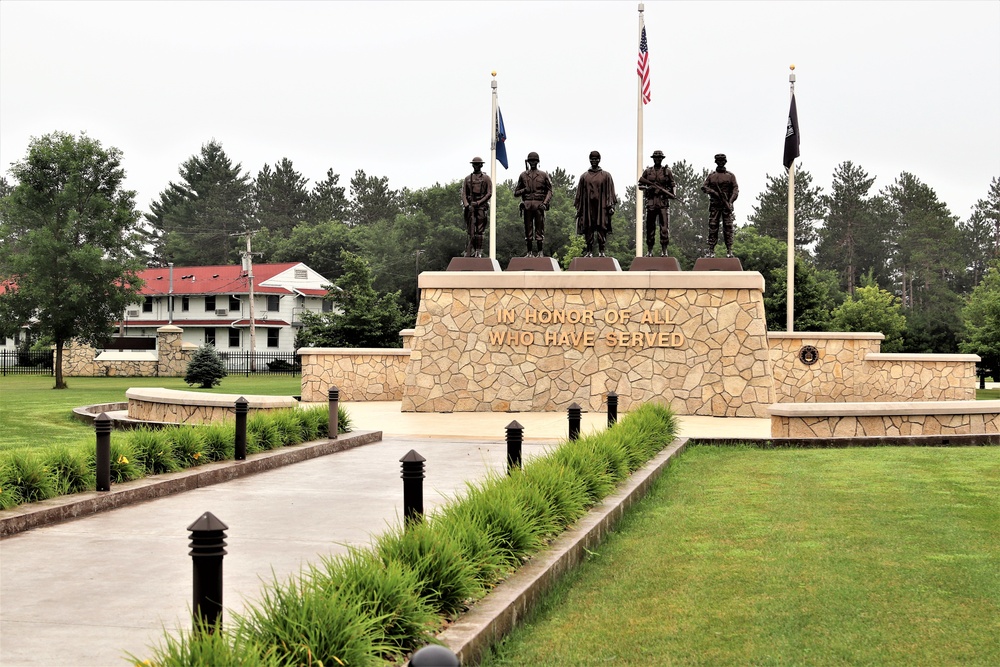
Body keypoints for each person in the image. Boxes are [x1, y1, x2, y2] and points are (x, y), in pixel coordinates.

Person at [574, 151, 617, 257]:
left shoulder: (606, 175)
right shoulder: (584, 176)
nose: (594, 161)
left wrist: (611, 206)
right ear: (589, 160)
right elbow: (579, 194)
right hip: (588, 207)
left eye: (596, 159)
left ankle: (602, 251)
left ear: (599, 160)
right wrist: (579, 208)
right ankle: (589, 251)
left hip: (601, 207)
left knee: (602, 228)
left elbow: (610, 192)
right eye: (592, 159)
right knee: (588, 228)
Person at [513, 152, 554, 257]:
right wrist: (524, 190)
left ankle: (540, 252)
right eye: (531, 161)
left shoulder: (543, 175)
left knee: (540, 229)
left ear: (538, 162)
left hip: (539, 204)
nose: (532, 163)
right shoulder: (523, 175)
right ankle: (529, 252)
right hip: (527, 205)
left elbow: (550, 190)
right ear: (528, 162)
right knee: (528, 229)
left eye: (534, 161)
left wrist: (545, 203)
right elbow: (516, 193)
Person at [638, 149, 676, 257]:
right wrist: (649, 188)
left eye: (659, 158)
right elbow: (640, 185)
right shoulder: (648, 171)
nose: (657, 160)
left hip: (663, 202)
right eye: (656, 158)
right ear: (653, 159)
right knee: (650, 228)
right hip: (651, 202)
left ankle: (664, 250)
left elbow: (673, 184)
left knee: (664, 228)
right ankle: (649, 250)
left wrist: (672, 194)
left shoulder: (667, 171)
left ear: (662, 159)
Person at [701, 153, 739, 257]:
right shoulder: (712, 176)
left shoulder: (730, 176)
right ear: (716, 162)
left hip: (726, 205)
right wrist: (713, 192)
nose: (721, 163)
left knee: (728, 227)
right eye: (719, 161)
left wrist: (730, 201)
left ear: (725, 162)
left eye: (722, 161)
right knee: (713, 226)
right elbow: (704, 187)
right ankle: (711, 250)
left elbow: (735, 190)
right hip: (715, 205)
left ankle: (729, 250)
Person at [461, 157, 492, 258]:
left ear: (481, 165)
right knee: (471, 230)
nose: (476, 166)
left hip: (481, 206)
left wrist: (478, 203)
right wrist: (467, 205)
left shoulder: (486, 178)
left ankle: (478, 251)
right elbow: (463, 194)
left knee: (480, 230)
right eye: (474, 164)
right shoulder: (467, 178)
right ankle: (472, 250)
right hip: (470, 207)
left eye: (478, 164)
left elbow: (489, 193)